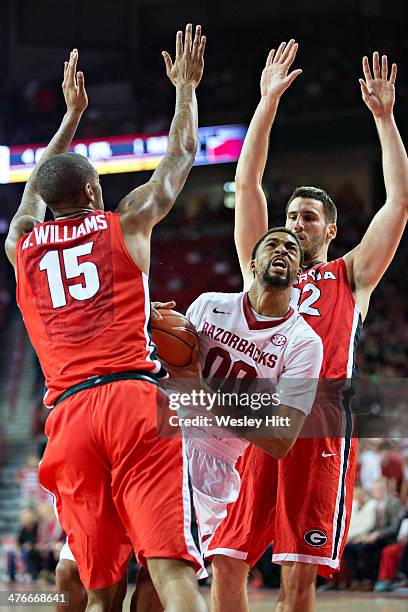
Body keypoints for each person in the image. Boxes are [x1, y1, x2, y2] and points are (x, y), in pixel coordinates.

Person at [5, 24, 208, 612]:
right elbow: (180, 157)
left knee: (100, 593)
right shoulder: (127, 221)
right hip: (132, 401)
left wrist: (68, 120)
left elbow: (33, 194)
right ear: (95, 192)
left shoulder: (22, 246)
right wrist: (185, 89)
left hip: (68, 414)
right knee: (170, 574)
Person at [207, 40, 408, 612]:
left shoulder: (352, 276)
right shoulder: (260, 267)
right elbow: (247, 184)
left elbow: (398, 200)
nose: (295, 223)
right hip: (254, 418)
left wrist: (385, 120)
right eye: (290, 215)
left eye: (308, 217)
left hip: (318, 424)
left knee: (297, 583)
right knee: (226, 562)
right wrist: (266, 101)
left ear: (330, 230)